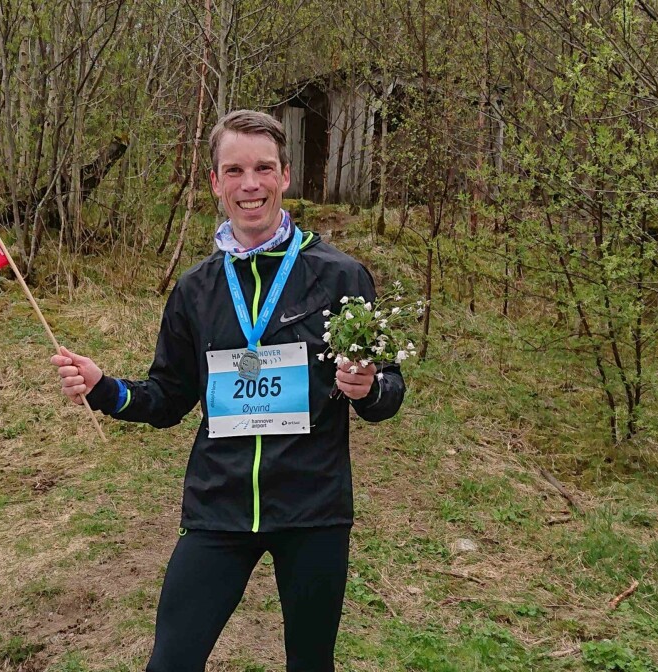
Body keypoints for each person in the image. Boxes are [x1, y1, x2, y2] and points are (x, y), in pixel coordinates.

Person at [51, 109, 405, 672]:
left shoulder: (340, 276)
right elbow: (168, 397)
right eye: (234, 170)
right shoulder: (196, 290)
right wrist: (104, 390)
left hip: (312, 510)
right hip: (220, 508)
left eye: (264, 168)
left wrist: (366, 388)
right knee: (170, 662)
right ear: (215, 182)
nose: (250, 184)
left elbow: (389, 389)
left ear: (285, 176)